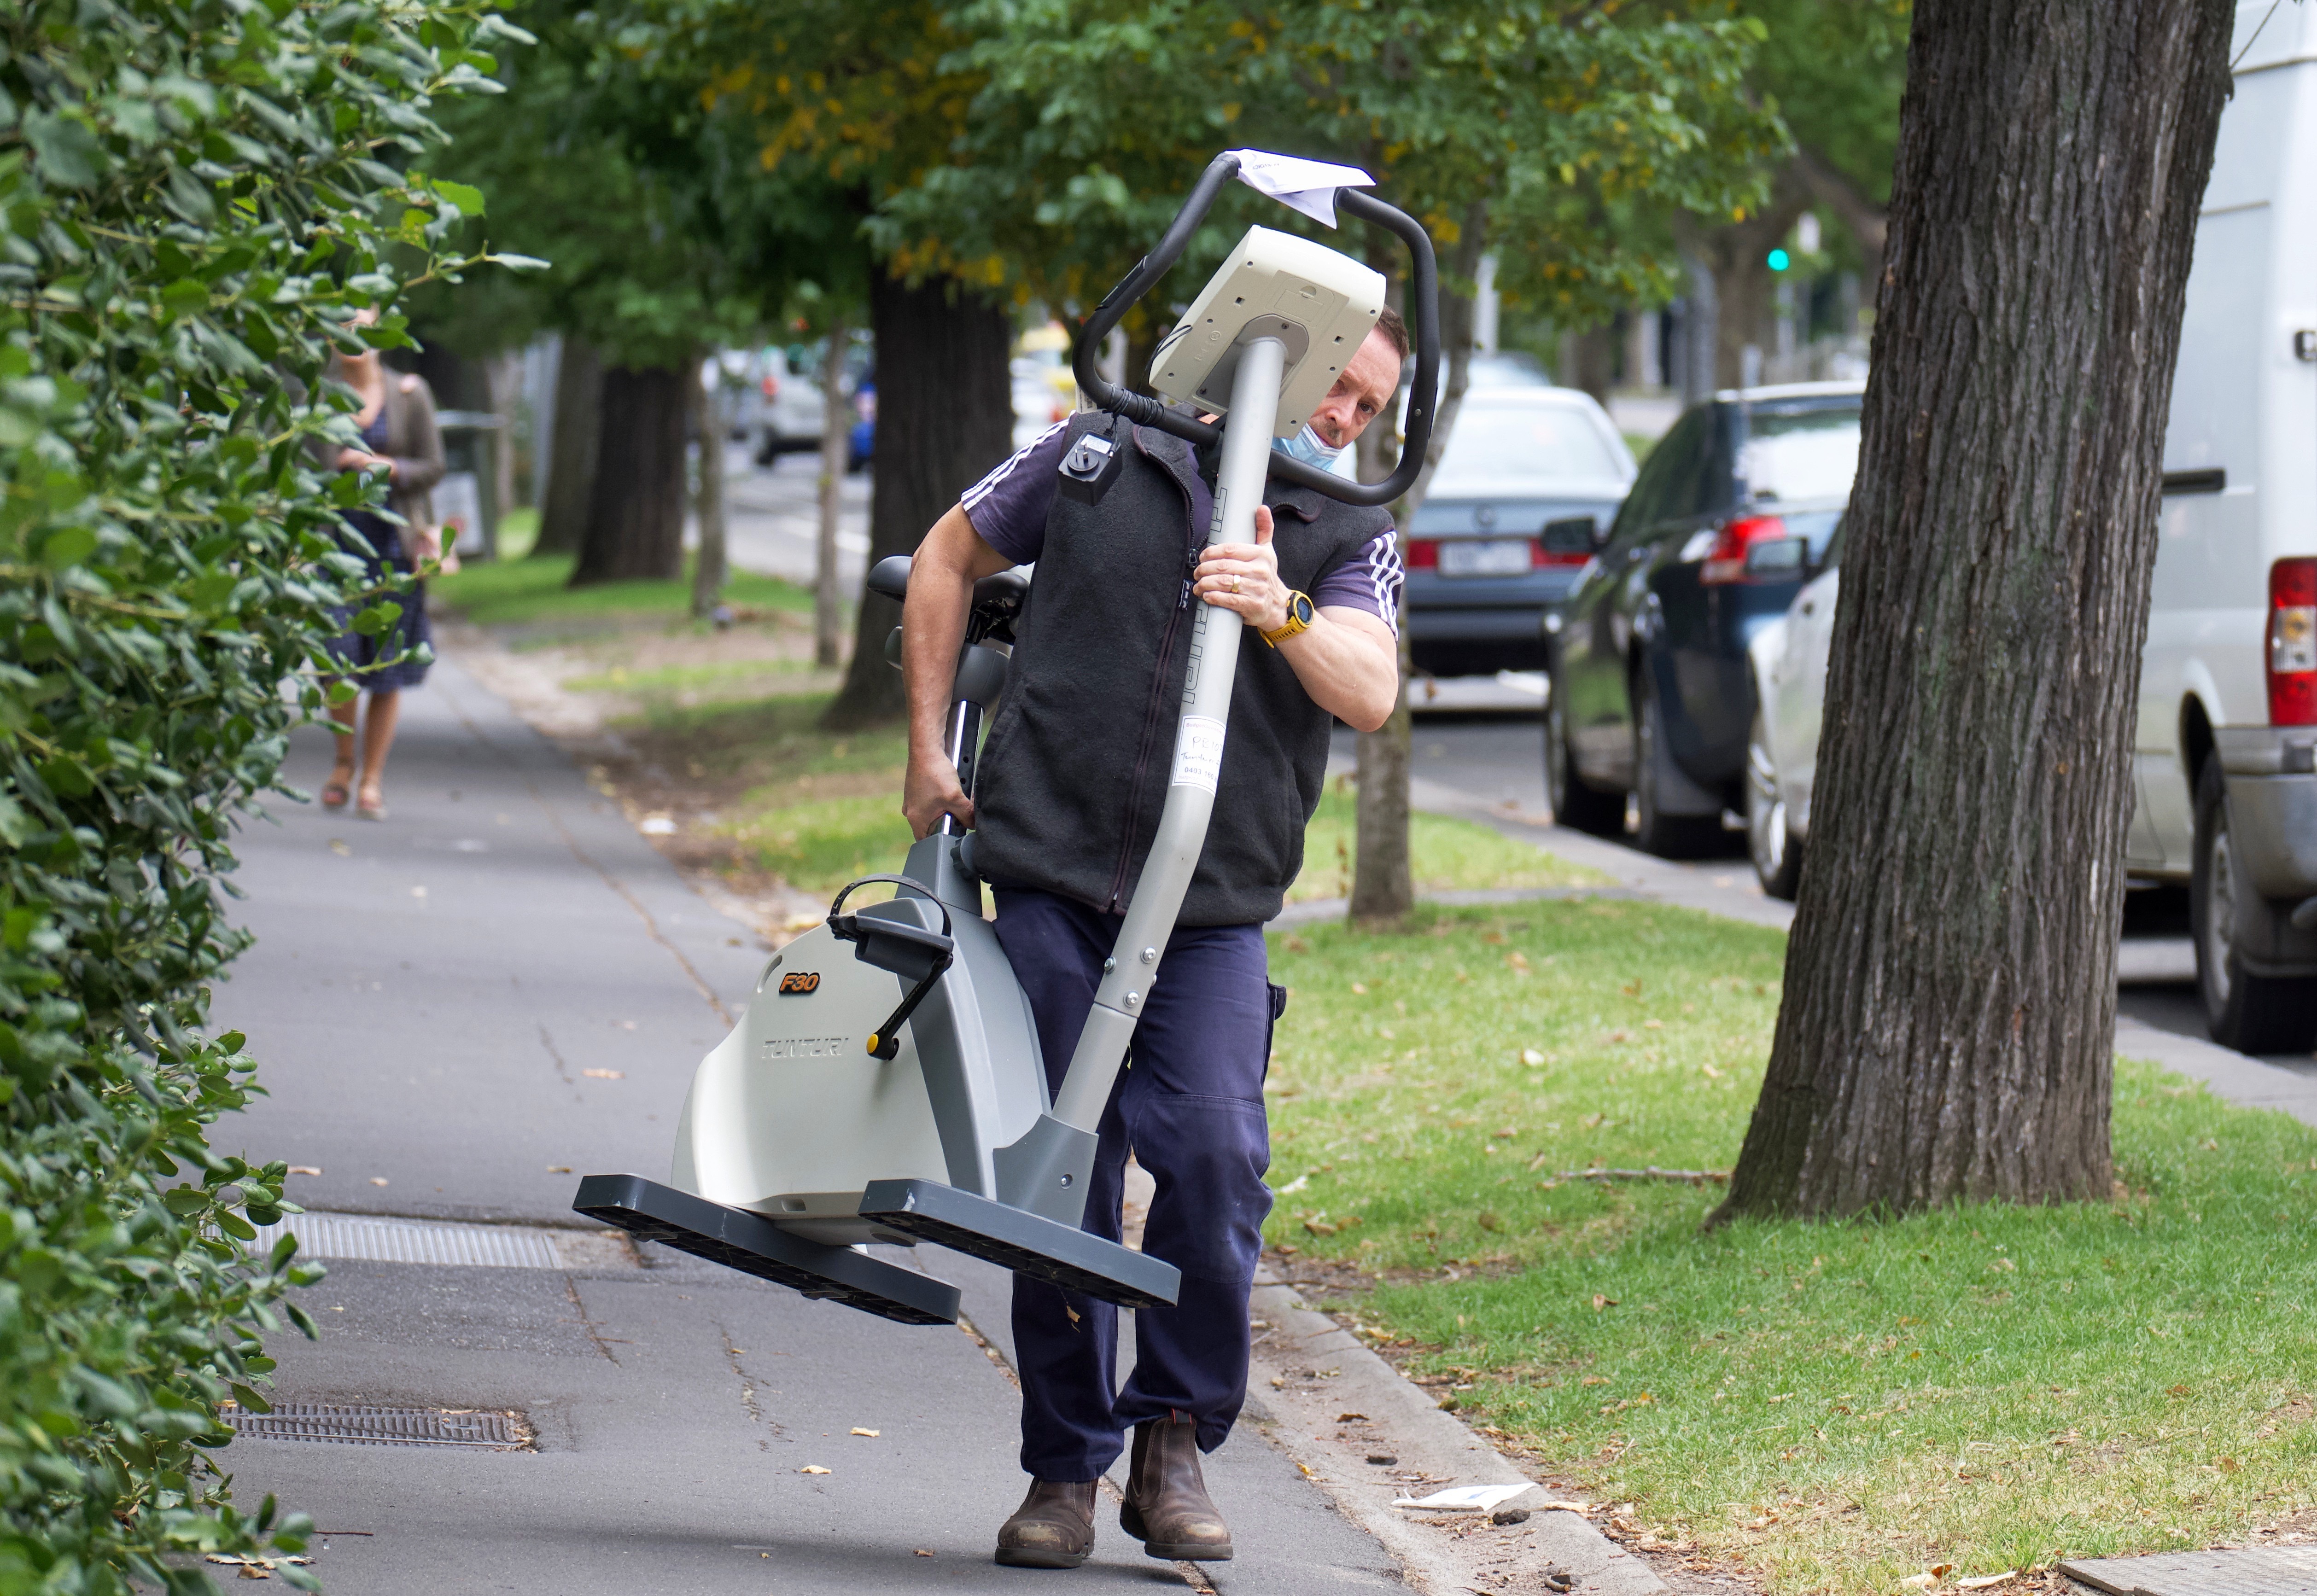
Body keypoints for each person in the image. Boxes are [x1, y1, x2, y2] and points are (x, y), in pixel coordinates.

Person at [900, 308, 1410, 1569]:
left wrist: (1280, 610)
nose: (1345, 419)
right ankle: (1063, 1470)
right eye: (1335, 388)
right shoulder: (1093, 455)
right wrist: (922, 749)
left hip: (1211, 906)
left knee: (1215, 1156)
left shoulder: (1344, 529)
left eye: (1368, 406)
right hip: (1055, 873)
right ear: (1274, 359)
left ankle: (1171, 1436)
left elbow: (1371, 687)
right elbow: (944, 558)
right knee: (1060, 1172)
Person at [313, 313, 445, 821]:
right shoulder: (320, 396)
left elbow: (434, 467)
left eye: (364, 328)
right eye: (344, 327)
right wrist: (340, 463)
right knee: (336, 656)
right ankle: (343, 761)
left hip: (395, 542)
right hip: (335, 541)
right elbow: (301, 465)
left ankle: (372, 778)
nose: (354, 338)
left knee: (389, 663)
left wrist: (386, 467)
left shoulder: (411, 394)